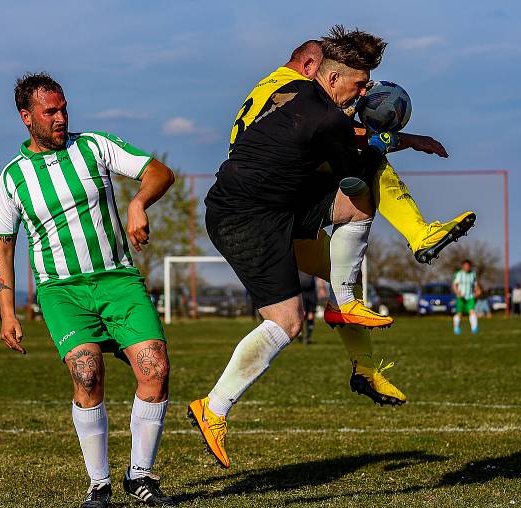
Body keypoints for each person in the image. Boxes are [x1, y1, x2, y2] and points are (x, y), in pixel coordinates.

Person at [188, 26, 413, 470]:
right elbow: (351, 167)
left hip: (278, 207)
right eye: (360, 84)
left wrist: (389, 141)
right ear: (331, 80)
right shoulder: (325, 118)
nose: (365, 92)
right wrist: (388, 141)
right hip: (245, 220)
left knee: (359, 204)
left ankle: (344, 303)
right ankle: (212, 408)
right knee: (287, 324)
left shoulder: (307, 102)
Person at [0, 73, 176, 508]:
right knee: (86, 374)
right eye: (49, 112)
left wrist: (137, 203)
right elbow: (3, 245)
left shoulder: (93, 146)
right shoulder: (13, 178)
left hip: (117, 279)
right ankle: (99, 483)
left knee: (155, 369)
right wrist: (7, 311)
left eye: (63, 108)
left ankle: (141, 475)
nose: (60, 118)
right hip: (61, 290)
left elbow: (159, 172)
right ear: (26, 117)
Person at [228, 38, 476, 329]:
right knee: (371, 159)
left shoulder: (270, 87)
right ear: (311, 67)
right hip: (274, 201)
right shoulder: (296, 90)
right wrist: (406, 139)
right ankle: (420, 233)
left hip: (269, 204)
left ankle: (365, 371)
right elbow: (343, 134)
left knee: (346, 282)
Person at [452, 260, 481, 334]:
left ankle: (474, 329)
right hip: (461, 297)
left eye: (468, 266)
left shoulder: (472, 274)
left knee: (472, 311)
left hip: (470, 297)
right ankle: (456, 328)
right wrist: (457, 292)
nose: (467, 267)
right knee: (459, 313)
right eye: (465, 266)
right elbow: (454, 285)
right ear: (463, 266)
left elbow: (475, 285)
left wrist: (478, 291)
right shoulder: (459, 274)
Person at [298, 271, 318, 343]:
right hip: (301, 291)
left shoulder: (311, 264)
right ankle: (299, 333)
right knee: (303, 313)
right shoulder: (297, 262)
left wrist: (322, 287)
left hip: (311, 291)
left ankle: (308, 337)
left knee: (311, 314)